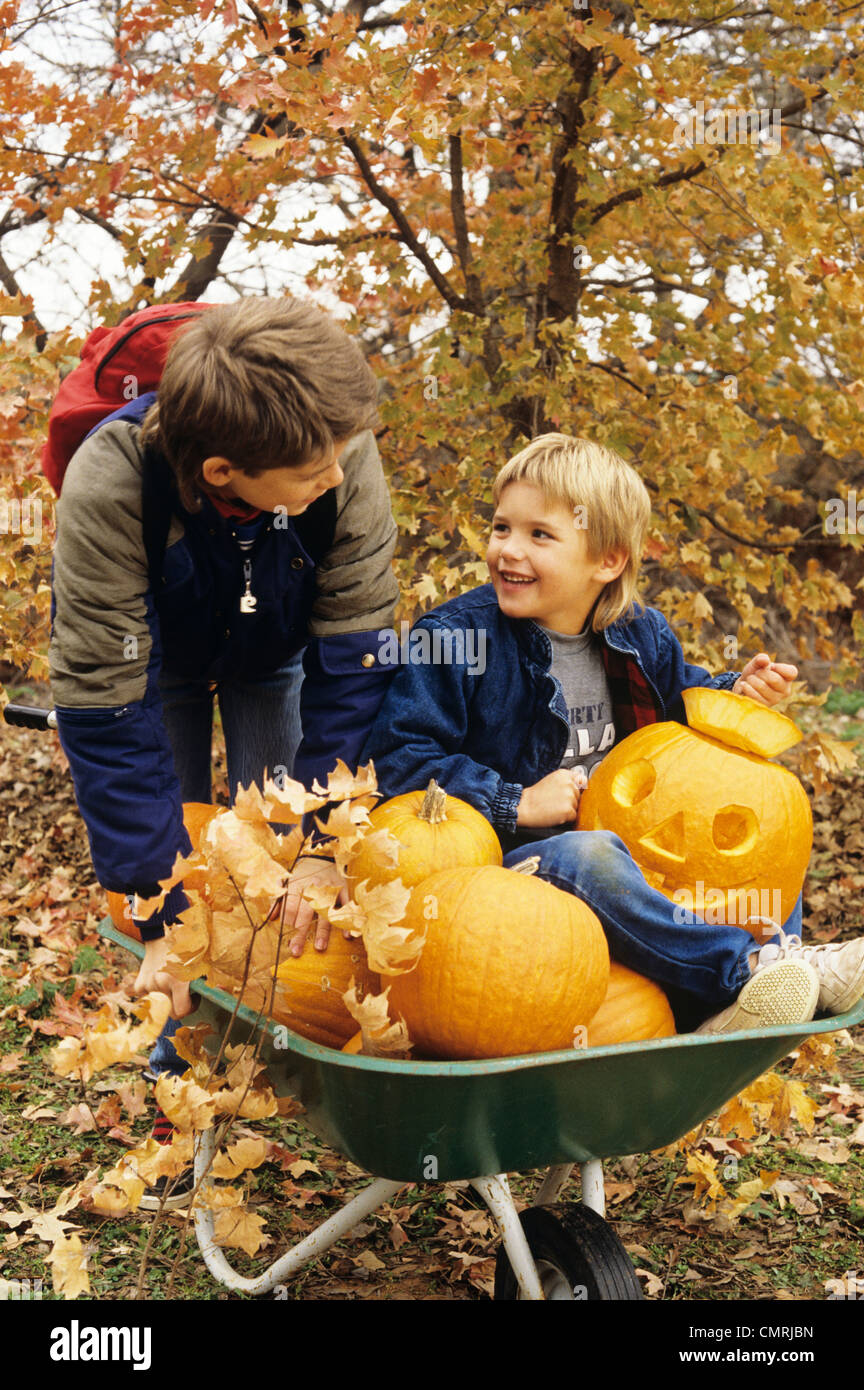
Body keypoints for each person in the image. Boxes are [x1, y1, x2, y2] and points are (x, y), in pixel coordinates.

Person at [49, 297, 399, 1200]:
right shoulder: (110, 482)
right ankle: (178, 1104)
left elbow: (356, 660)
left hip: (274, 653)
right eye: (313, 470)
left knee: (279, 880)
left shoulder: (342, 455)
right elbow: (101, 705)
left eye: (340, 457)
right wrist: (154, 905)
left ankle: (270, 1084)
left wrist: (324, 840)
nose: (338, 473)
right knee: (180, 897)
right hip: (148, 664)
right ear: (224, 471)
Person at [360, 433, 864, 1036]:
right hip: (513, 873)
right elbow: (398, 757)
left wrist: (734, 690)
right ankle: (750, 969)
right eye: (501, 529)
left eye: (538, 535)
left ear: (607, 560)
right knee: (588, 853)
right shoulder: (457, 640)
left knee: (772, 838)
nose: (507, 551)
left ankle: (738, 1005)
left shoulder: (640, 635)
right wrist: (513, 801)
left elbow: (682, 708)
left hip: (628, 861)